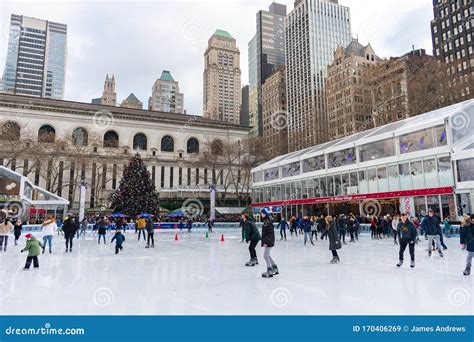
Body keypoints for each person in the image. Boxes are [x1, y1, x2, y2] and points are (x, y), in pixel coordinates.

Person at [260, 208, 278, 278]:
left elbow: (269, 233)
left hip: (269, 241)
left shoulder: (267, 222)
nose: (261, 215)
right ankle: (274, 267)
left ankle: (269, 270)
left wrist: (266, 242)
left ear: (264, 214)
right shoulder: (267, 221)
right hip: (269, 240)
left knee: (265, 255)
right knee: (267, 255)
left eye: (261, 213)